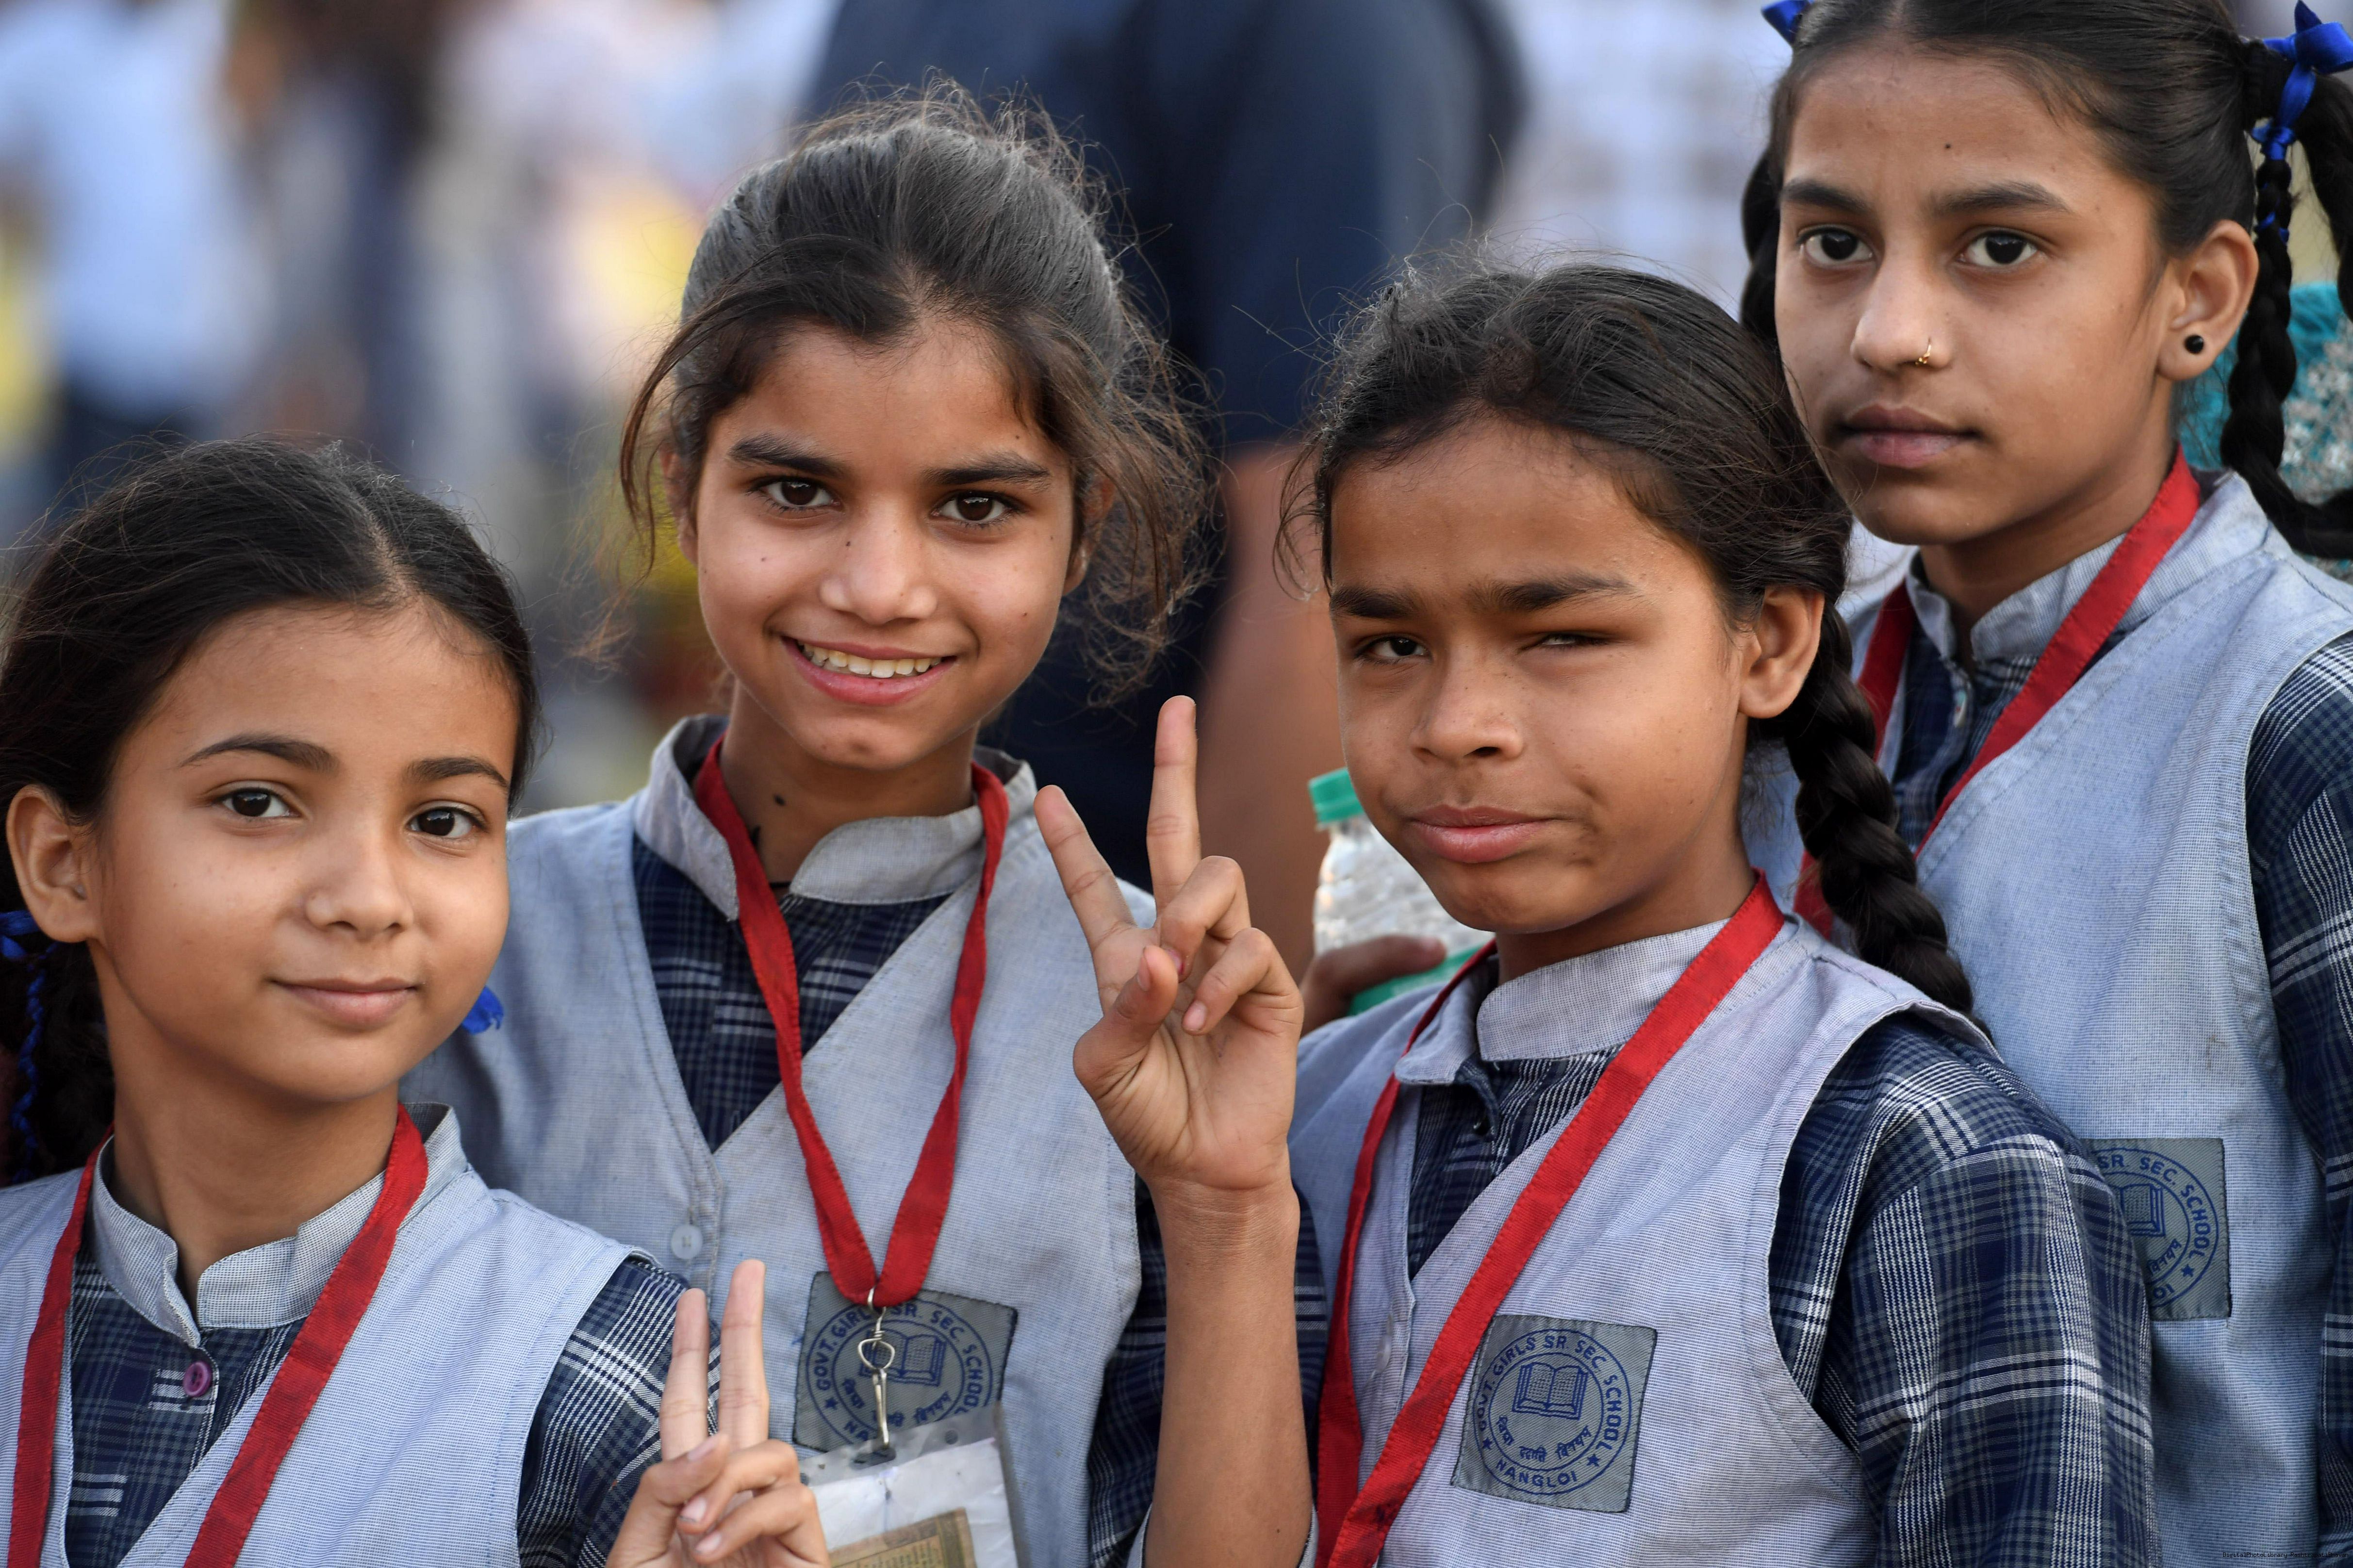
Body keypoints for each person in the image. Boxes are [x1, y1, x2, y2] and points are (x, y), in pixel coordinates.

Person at [407, 93, 1318, 1568]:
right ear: (680, 484)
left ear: (1083, 527)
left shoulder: (1165, 1020)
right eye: (796, 490)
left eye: (975, 507)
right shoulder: (454, 936)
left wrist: (1224, 1209)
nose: (880, 585)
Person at [1277, 264, 2156, 1562]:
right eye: (1391, 645)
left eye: (1560, 636)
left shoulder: (1916, 1156)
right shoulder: (1297, 1121)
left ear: (1771, 644)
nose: (1458, 725)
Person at [1739, 2, 2353, 1559]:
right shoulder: (1746, 701)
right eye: (1832, 244)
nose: (1890, 331)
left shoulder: (2298, 725)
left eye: (1999, 248)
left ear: (2196, 297)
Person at [0, 439, 826, 1567]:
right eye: (259, 801)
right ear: (63, 863)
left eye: (442, 820)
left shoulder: (619, 1392)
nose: (368, 898)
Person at [806, 0, 1524, 964]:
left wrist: (1240, 1011)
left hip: (1107, 941)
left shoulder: (1324, 27)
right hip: (865, 915)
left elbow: (1324, 552)